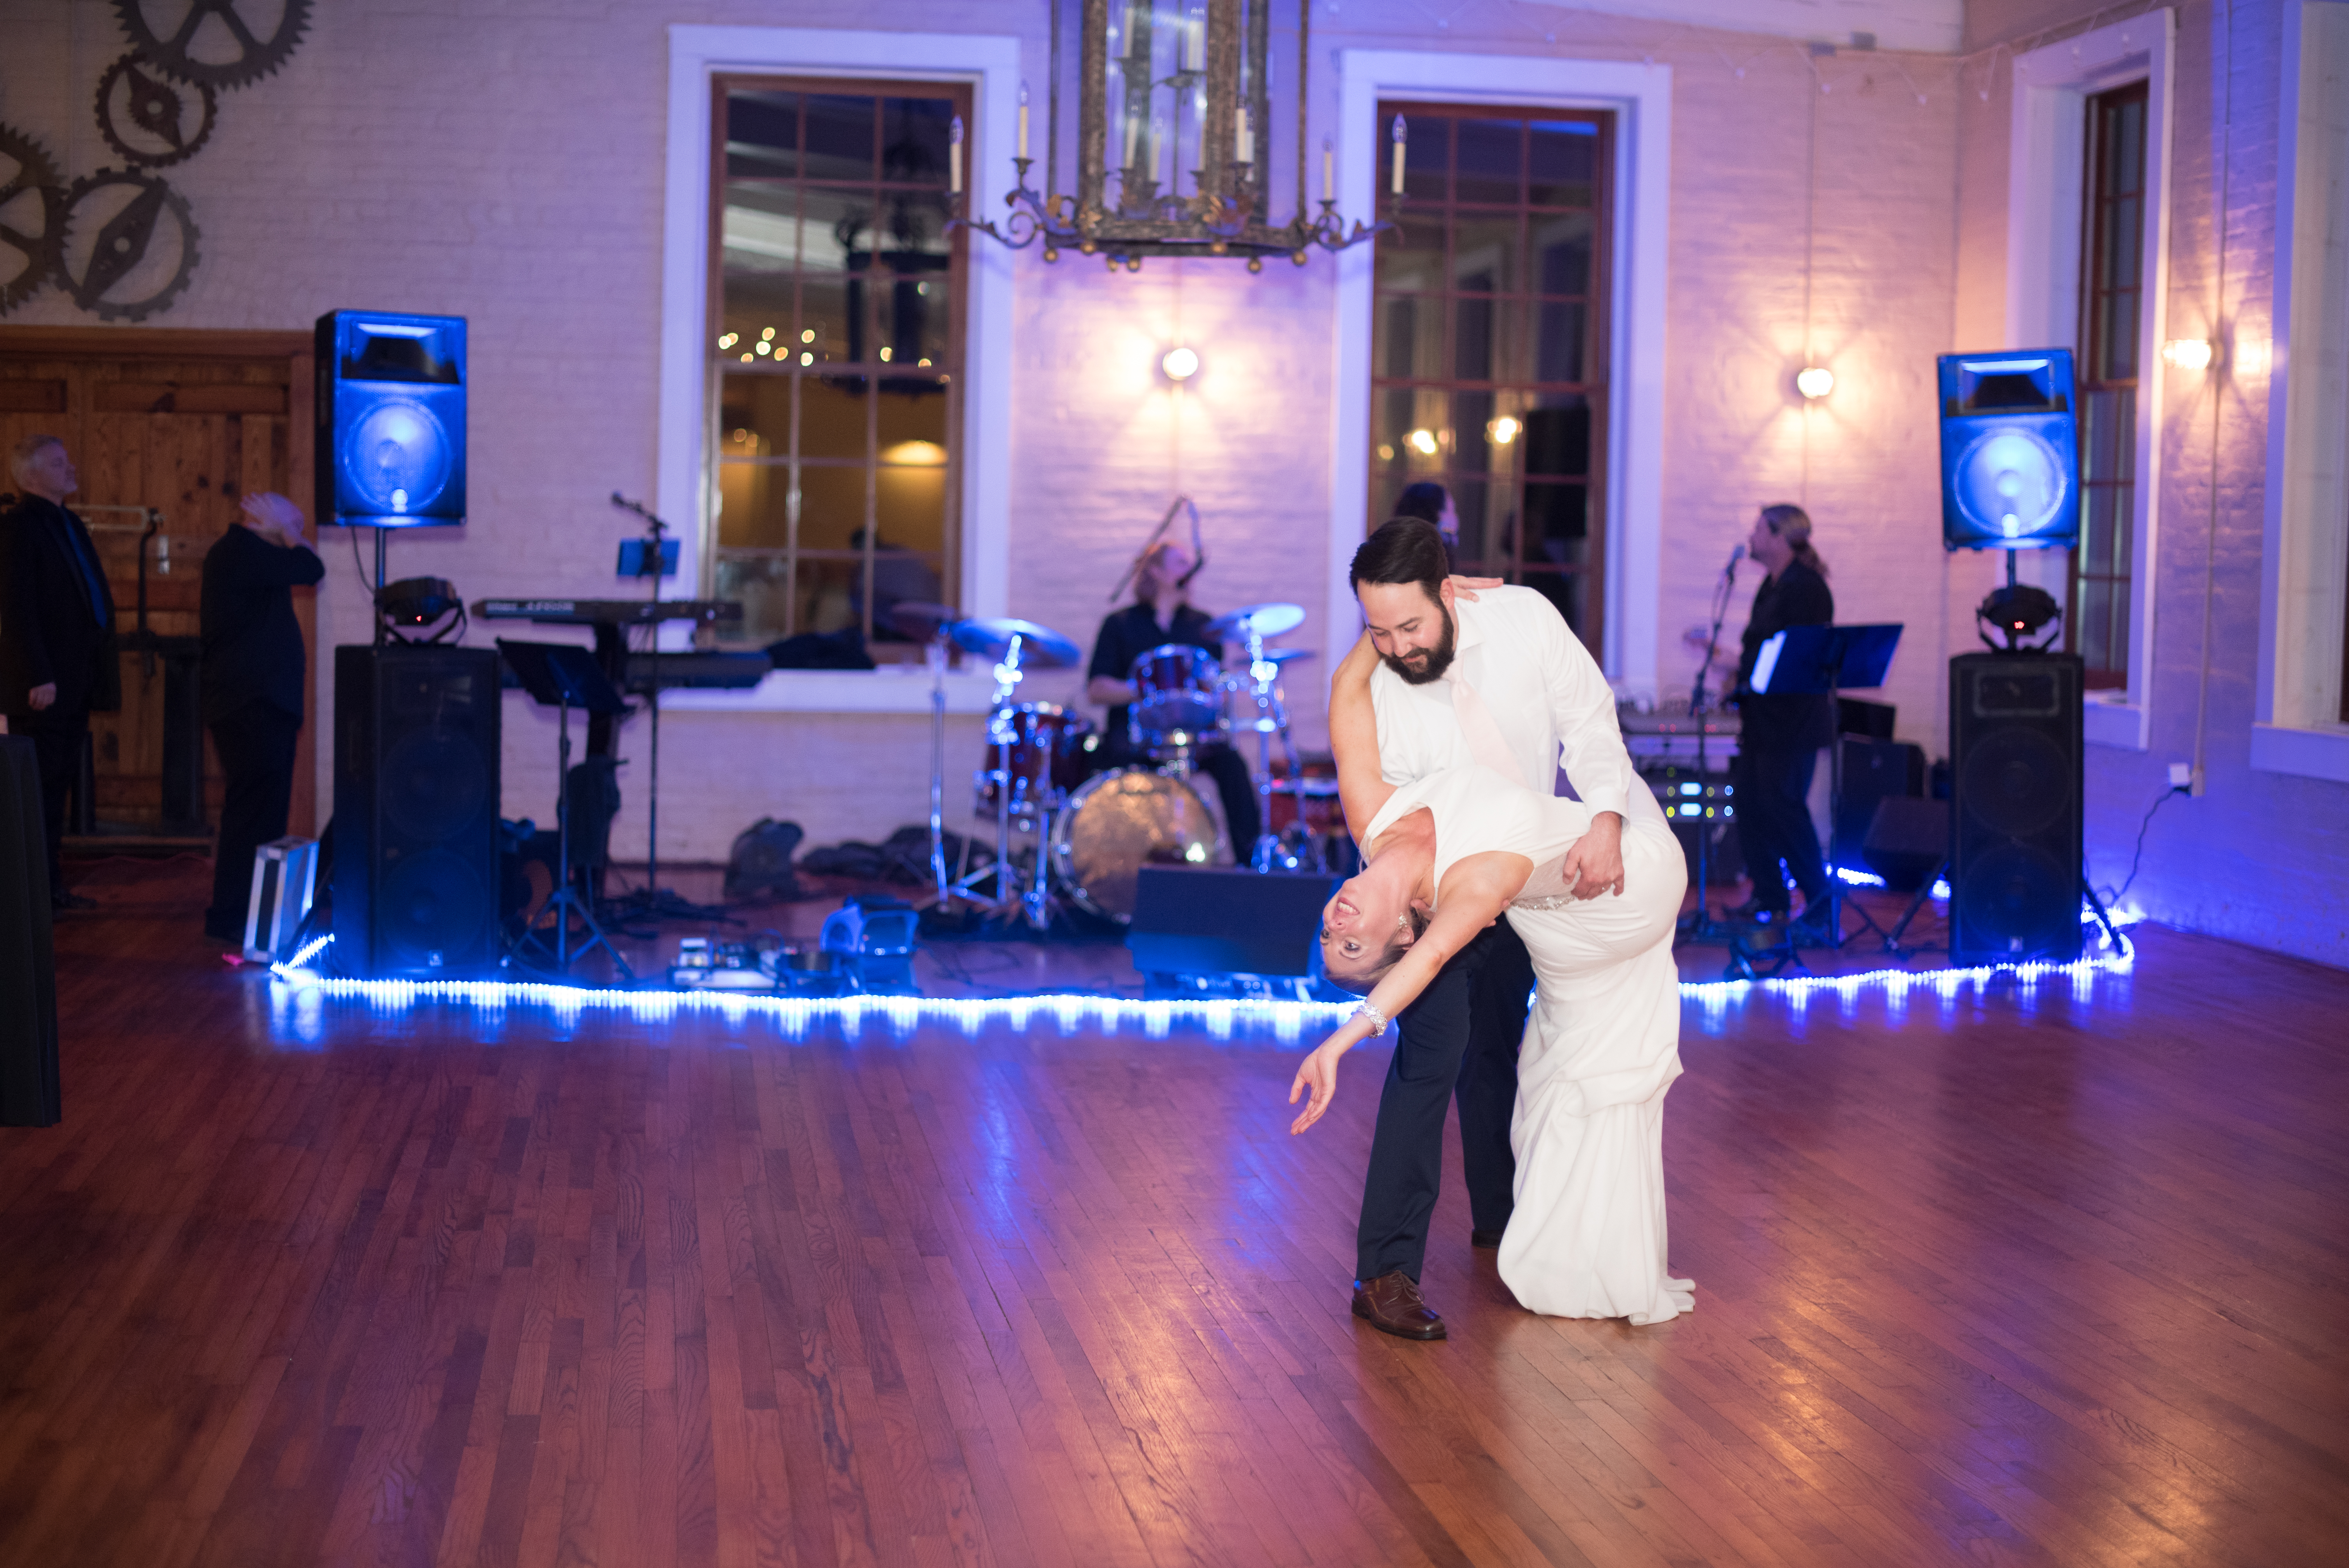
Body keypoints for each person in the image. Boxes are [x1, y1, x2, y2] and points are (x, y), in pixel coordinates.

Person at [1293, 630, 1692, 1327]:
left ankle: (1506, 1218)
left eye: (1328, 936)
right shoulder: (1458, 898)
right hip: (1578, 890)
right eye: (1352, 945)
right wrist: (1340, 1041)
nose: (1335, 923)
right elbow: (1428, 960)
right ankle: (1386, 1275)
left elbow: (1344, 691)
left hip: (1555, 887)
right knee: (1436, 1061)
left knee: (1511, 1052)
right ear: (1403, 931)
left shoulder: (1370, 816)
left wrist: (1383, 618)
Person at [199, 490, 324, 944]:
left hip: (259, 703)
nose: (298, 529)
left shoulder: (251, 555)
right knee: (251, 813)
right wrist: (290, 535)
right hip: (249, 704)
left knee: (261, 812)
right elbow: (311, 568)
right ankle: (232, 915)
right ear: (262, 518)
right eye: (292, 520)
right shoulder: (241, 551)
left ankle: (251, 917)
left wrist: (286, 532)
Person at [1, 435, 119, 912]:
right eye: (57, 463)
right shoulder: (18, 527)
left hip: (73, 679)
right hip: (44, 684)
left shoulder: (67, 521)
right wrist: (38, 674)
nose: (71, 469)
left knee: (57, 788)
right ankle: (31, 896)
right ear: (30, 475)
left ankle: (49, 887)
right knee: (39, 791)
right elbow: (17, 607)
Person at [1083, 539, 1260, 854]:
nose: (1189, 571)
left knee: (1231, 765)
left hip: (1194, 737)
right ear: (1156, 571)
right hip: (1136, 739)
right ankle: (1119, 860)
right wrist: (1150, 690)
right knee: (1104, 759)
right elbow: (1096, 690)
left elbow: (1215, 689)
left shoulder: (1204, 626)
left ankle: (1252, 860)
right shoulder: (1120, 625)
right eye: (1180, 563)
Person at [1728, 503, 1835, 942]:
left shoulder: (1807, 589)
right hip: (1762, 719)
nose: (1751, 537)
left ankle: (1820, 903)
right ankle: (1770, 896)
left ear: (1779, 537)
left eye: (1758, 529)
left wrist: (1748, 673)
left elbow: (1799, 657)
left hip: (1791, 723)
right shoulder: (1771, 585)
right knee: (1751, 803)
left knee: (1785, 808)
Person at [1392, 480, 1460, 567]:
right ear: (1436, 515)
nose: (1456, 518)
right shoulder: (1436, 558)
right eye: (1451, 510)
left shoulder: (1392, 546)